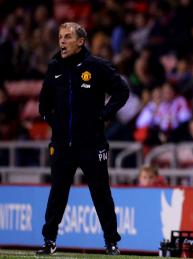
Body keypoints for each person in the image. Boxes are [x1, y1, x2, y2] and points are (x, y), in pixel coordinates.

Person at [36, 22, 129, 256]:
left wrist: (104, 115)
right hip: (62, 145)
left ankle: (111, 242)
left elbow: (122, 91)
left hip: (92, 144)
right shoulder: (54, 67)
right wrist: (55, 125)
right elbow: (43, 105)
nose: (62, 41)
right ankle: (49, 241)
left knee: (101, 194)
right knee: (58, 192)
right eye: (60, 37)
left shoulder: (97, 67)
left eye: (68, 37)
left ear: (80, 41)